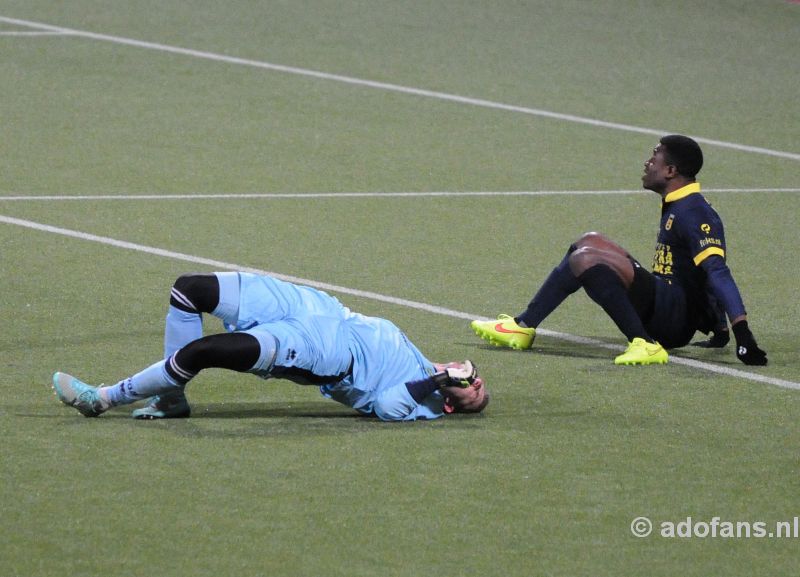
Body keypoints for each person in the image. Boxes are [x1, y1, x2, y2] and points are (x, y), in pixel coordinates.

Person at [471, 134, 768, 366]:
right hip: (667, 303)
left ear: (671, 170)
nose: (647, 163)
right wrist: (719, 330)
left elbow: (716, 270)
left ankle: (644, 343)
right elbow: (696, 273)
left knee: (586, 260)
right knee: (589, 240)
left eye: (654, 156)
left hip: (672, 317)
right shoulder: (680, 203)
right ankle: (523, 326)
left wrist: (742, 334)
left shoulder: (694, 212)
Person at [52, 272, 489, 421]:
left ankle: (103, 398)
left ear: (452, 405)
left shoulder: (425, 404)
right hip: (321, 308)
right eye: (479, 380)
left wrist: (439, 379)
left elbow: (388, 407)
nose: (475, 381)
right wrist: (442, 368)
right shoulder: (419, 360)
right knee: (189, 290)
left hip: (324, 351)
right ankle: (170, 401)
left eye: (475, 393)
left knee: (203, 352)